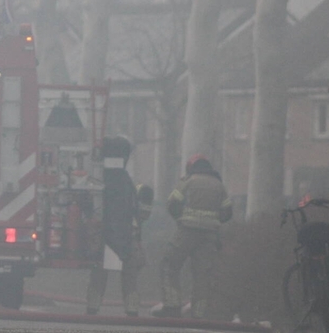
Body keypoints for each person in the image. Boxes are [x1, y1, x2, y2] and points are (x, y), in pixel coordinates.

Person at [153, 154, 232, 319]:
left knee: (170, 265)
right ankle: (199, 313)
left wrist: (179, 218)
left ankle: (172, 306)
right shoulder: (219, 185)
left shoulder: (188, 181)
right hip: (209, 235)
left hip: (187, 232)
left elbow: (172, 203)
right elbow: (227, 212)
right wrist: (214, 221)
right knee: (202, 275)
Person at [86, 136, 140, 316]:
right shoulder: (125, 181)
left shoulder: (100, 178)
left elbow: (91, 205)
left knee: (100, 270)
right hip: (124, 233)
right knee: (129, 272)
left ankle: (92, 307)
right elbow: (134, 209)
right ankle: (131, 309)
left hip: (104, 233)